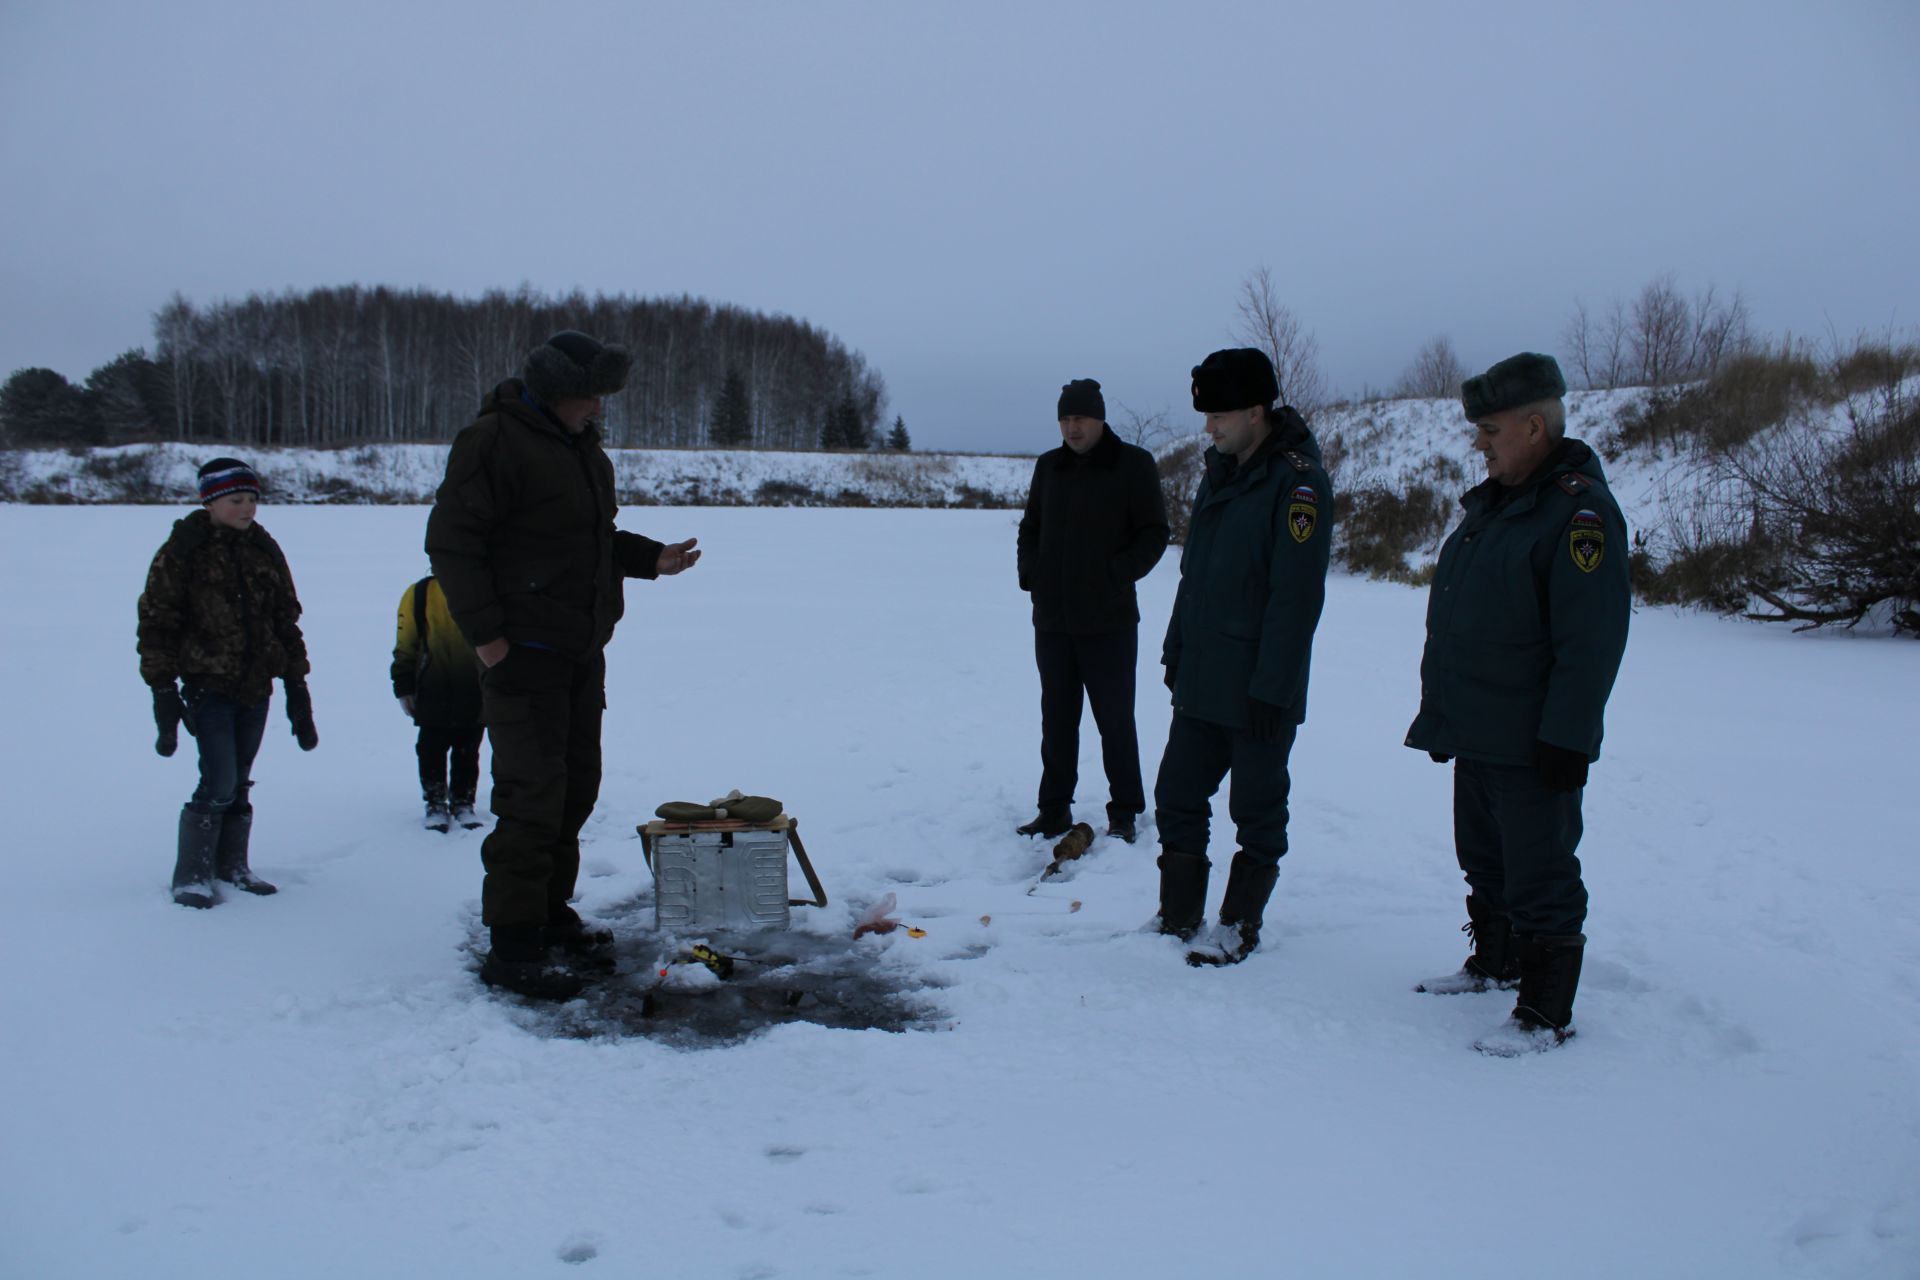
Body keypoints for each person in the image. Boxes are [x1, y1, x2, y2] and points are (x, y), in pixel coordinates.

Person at [426, 330, 701, 1000]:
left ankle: (549, 916)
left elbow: (589, 540)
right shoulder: (492, 441)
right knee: (531, 797)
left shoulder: (580, 449)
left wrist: (649, 559)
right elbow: (453, 544)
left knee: (574, 790)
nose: (600, 409)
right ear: (557, 393)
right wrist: (488, 638)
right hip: (523, 654)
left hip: (579, 650)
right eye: (591, 397)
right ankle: (515, 944)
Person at [1405, 352, 1630, 1055]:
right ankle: (1495, 963)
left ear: (1534, 426)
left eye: (1491, 430)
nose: (1480, 443)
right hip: (1478, 729)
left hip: (1533, 739)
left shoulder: (1578, 513)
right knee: (1486, 862)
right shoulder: (1496, 506)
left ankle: (1544, 1012)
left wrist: (1569, 737)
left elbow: (1589, 641)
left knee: (1543, 872)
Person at [1154, 349, 1333, 965]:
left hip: (1259, 690)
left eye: (1219, 415)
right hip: (1203, 677)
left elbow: (1296, 595)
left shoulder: (1297, 483)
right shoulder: (1220, 471)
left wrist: (1274, 687)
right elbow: (1194, 574)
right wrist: (1176, 647)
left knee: (1256, 812)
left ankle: (1238, 925)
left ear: (1256, 411)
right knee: (1177, 794)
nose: (1208, 427)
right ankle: (1177, 915)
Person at [137, 457, 319, 908]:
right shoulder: (183, 550)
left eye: (253, 499)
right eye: (237, 500)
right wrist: (162, 689)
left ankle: (232, 866)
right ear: (211, 501)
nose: (248, 509)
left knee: (239, 780)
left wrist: (297, 685)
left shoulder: (264, 548)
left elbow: (285, 619)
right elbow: (157, 621)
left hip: (256, 686)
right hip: (208, 685)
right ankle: (192, 874)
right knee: (218, 779)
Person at [1015, 377, 1169, 843]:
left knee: (1115, 721)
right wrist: (1031, 574)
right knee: (1057, 720)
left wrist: (1113, 575)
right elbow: (1031, 527)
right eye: (1064, 418)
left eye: (1079, 417)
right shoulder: (1050, 467)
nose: (1071, 427)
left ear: (1100, 418)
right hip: (1054, 621)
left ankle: (1124, 811)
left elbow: (1154, 533)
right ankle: (1054, 809)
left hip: (1109, 621)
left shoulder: (1133, 465)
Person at [392, 573, 485, 832]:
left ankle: (463, 802)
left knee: (468, 748)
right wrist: (403, 686)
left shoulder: (483, 588)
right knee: (431, 748)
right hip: (432, 688)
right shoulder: (419, 594)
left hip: (474, 688)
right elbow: (405, 643)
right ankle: (435, 803)